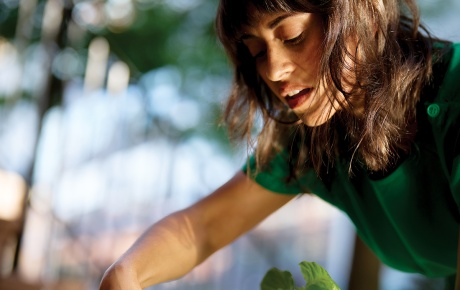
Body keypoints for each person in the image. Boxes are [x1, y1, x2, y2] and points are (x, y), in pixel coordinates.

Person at [99, 0, 460, 289]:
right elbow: (202, 229)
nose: (273, 70)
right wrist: (124, 276)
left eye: (291, 36)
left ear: (365, 12)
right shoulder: (314, 141)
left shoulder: (455, 95)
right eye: (256, 51)